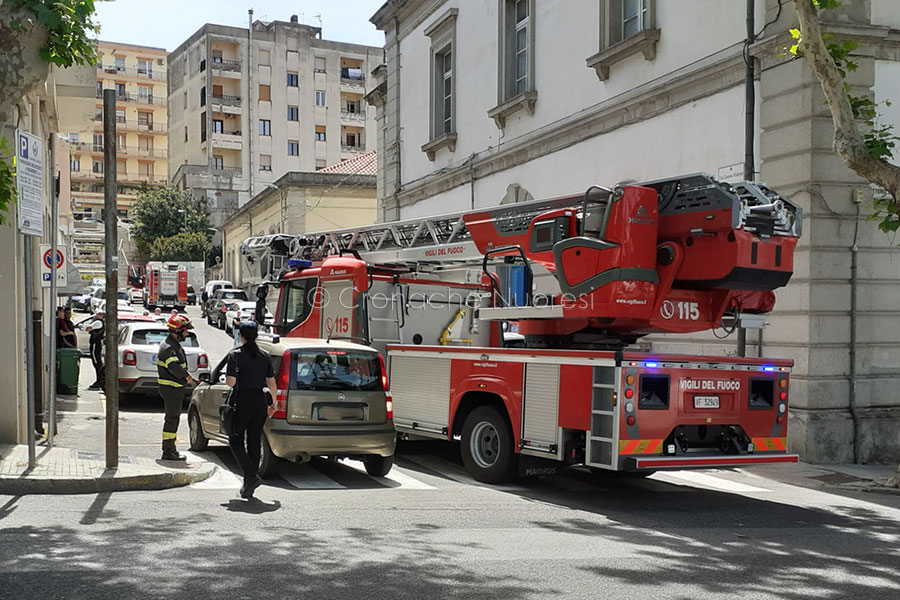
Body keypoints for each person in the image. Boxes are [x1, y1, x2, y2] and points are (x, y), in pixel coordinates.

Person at [226, 320, 276, 499]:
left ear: (241, 335)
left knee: (235, 440)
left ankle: (251, 476)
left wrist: (234, 377)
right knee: (254, 441)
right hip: (260, 402)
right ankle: (249, 484)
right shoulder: (264, 355)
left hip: (243, 400)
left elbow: (231, 382)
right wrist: (273, 404)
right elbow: (271, 382)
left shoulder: (236, 355)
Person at [157, 314, 196, 461]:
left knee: (173, 418)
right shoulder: (169, 347)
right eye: (185, 331)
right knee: (172, 419)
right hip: (172, 388)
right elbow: (173, 366)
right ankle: (168, 451)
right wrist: (186, 377)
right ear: (178, 331)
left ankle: (169, 449)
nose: (186, 334)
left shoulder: (172, 344)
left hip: (174, 388)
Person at [85, 312, 105, 390]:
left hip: (95, 344)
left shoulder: (98, 322)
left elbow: (88, 328)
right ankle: (99, 380)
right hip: (97, 343)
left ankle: (98, 381)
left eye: (97, 314)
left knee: (96, 362)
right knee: (97, 362)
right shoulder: (99, 322)